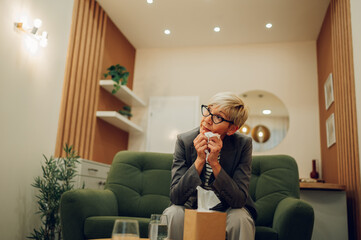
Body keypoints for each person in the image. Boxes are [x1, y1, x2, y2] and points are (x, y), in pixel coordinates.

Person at [163, 92, 257, 240]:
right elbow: (176, 197)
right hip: (191, 206)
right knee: (173, 213)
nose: (206, 120)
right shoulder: (184, 141)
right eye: (208, 110)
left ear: (232, 129)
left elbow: (238, 200)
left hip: (227, 208)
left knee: (240, 218)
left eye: (218, 117)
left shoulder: (243, 144)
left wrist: (214, 163)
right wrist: (200, 160)